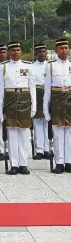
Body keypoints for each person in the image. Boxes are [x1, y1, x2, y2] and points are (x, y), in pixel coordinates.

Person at [0, 41, 36, 175]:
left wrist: (34, 106)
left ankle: (23, 164)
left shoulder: (28, 66)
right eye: (13, 50)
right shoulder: (3, 67)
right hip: (10, 100)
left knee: (24, 134)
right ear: (9, 52)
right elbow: (0, 90)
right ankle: (14, 164)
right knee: (12, 133)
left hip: (24, 99)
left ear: (21, 51)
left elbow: (32, 88)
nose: (16, 52)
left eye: (18, 50)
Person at [44, 38, 71, 174]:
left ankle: (69, 161)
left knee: (69, 133)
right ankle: (59, 162)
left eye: (66, 48)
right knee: (59, 133)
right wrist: (45, 108)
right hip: (57, 99)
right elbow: (47, 89)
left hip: (70, 99)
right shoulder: (50, 66)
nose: (64, 51)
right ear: (56, 51)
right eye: (61, 48)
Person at [32, 43, 51, 160]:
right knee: (38, 123)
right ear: (36, 53)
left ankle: (47, 149)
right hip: (37, 93)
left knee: (48, 122)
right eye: (39, 52)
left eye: (44, 52)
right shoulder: (31, 66)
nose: (42, 54)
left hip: (48, 93)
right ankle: (39, 149)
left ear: (46, 53)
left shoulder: (51, 66)